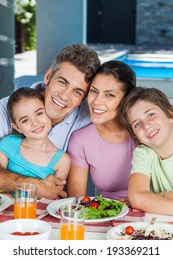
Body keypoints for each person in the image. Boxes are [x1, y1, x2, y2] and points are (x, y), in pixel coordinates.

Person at [0, 44, 100, 198]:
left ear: (84, 99)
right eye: (62, 82)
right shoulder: (5, 110)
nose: (65, 96)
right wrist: (33, 185)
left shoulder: (87, 116)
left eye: (77, 92)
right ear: (48, 77)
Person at [67, 60, 136, 201]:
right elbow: (76, 200)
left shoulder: (144, 132)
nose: (96, 101)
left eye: (109, 95)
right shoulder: (81, 140)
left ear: (126, 99)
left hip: (155, 212)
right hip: (109, 213)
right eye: (94, 91)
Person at [0, 87, 70, 189]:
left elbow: (55, 196)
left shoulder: (62, 160)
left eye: (39, 113)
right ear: (17, 127)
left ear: (48, 112)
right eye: (25, 120)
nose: (35, 123)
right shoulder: (8, 144)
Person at [119, 87, 173, 215]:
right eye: (137, 124)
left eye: (151, 115)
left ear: (170, 114)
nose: (146, 126)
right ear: (136, 136)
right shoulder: (143, 153)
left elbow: (140, 200)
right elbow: (137, 198)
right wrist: (166, 195)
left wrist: (159, 196)